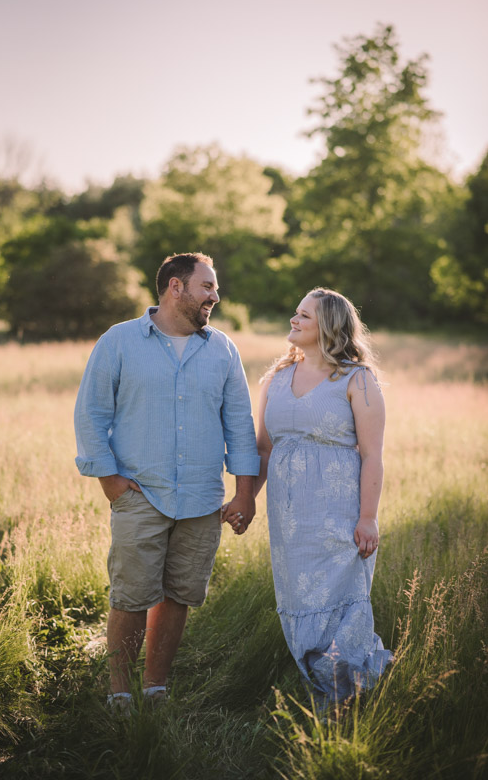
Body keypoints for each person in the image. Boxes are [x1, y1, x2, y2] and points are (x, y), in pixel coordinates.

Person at [74, 252, 259, 710]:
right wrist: (110, 481)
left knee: (179, 595)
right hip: (140, 493)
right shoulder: (119, 342)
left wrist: (245, 492)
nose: (215, 296)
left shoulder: (222, 349)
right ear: (175, 287)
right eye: (207, 287)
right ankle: (119, 691)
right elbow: (91, 413)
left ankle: (155, 687)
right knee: (132, 596)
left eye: (214, 288)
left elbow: (239, 422)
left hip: (202, 499)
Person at [228, 287, 393, 712]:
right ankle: (323, 684)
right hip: (290, 520)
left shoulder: (358, 379)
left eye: (303, 315)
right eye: (295, 312)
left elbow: (372, 455)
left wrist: (368, 518)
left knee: (341, 601)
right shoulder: (276, 379)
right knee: (300, 601)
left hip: (340, 514)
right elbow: (264, 449)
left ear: (329, 326)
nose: (293, 320)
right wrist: (247, 500)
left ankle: (349, 690)